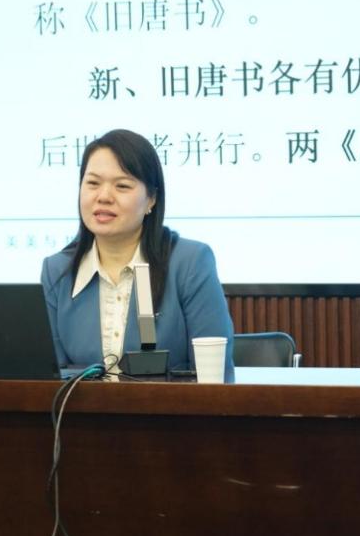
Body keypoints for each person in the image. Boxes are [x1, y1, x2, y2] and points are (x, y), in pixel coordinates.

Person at [41, 128, 234, 376]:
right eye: (92, 183)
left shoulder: (190, 263)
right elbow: (49, 378)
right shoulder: (57, 271)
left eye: (122, 186)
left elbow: (215, 378)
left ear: (151, 199)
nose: (103, 196)